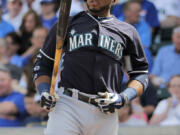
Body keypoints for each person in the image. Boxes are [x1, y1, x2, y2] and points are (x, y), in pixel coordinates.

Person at [33, 0, 149, 135]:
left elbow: (140, 74)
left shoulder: (128, 32)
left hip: (105, 110)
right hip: (68, 104)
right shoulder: (67, 24)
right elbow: (43, 64)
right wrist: (44, 91)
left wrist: (123, 98)